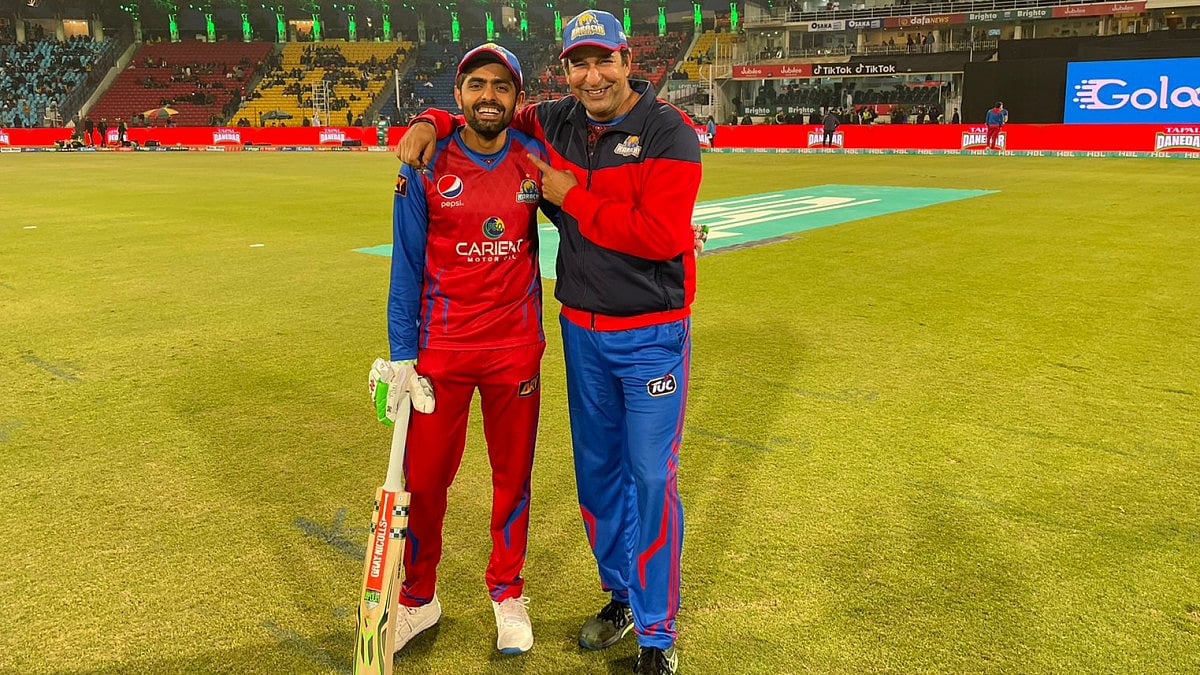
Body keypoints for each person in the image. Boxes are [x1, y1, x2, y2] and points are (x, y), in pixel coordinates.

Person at [399, 11, 701, 675]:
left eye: (604, 61)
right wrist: (429, 120)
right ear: (563, 70)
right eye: (579, 63)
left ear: (627, 59)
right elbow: (485, 110)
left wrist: (570, 193)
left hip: (652, 336)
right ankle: (620, 595)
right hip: (581, 332)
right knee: (597, 478)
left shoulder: (669, 132)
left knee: (650, 475)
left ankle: (657, 635)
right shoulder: (554, 120)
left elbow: (657, 234)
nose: (592, 75)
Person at [374, 42, 547, 658]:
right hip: (441, 352)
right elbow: (407, 265)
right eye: (476, 85)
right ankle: (419, 599)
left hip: (515, 349)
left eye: (501, 86)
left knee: (512, 478)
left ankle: (507, 592)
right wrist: (402, 355)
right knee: (425, 482)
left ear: (518, 100)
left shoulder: (534, 160)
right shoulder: (425, 164)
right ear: (458, 96)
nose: (488, 96)